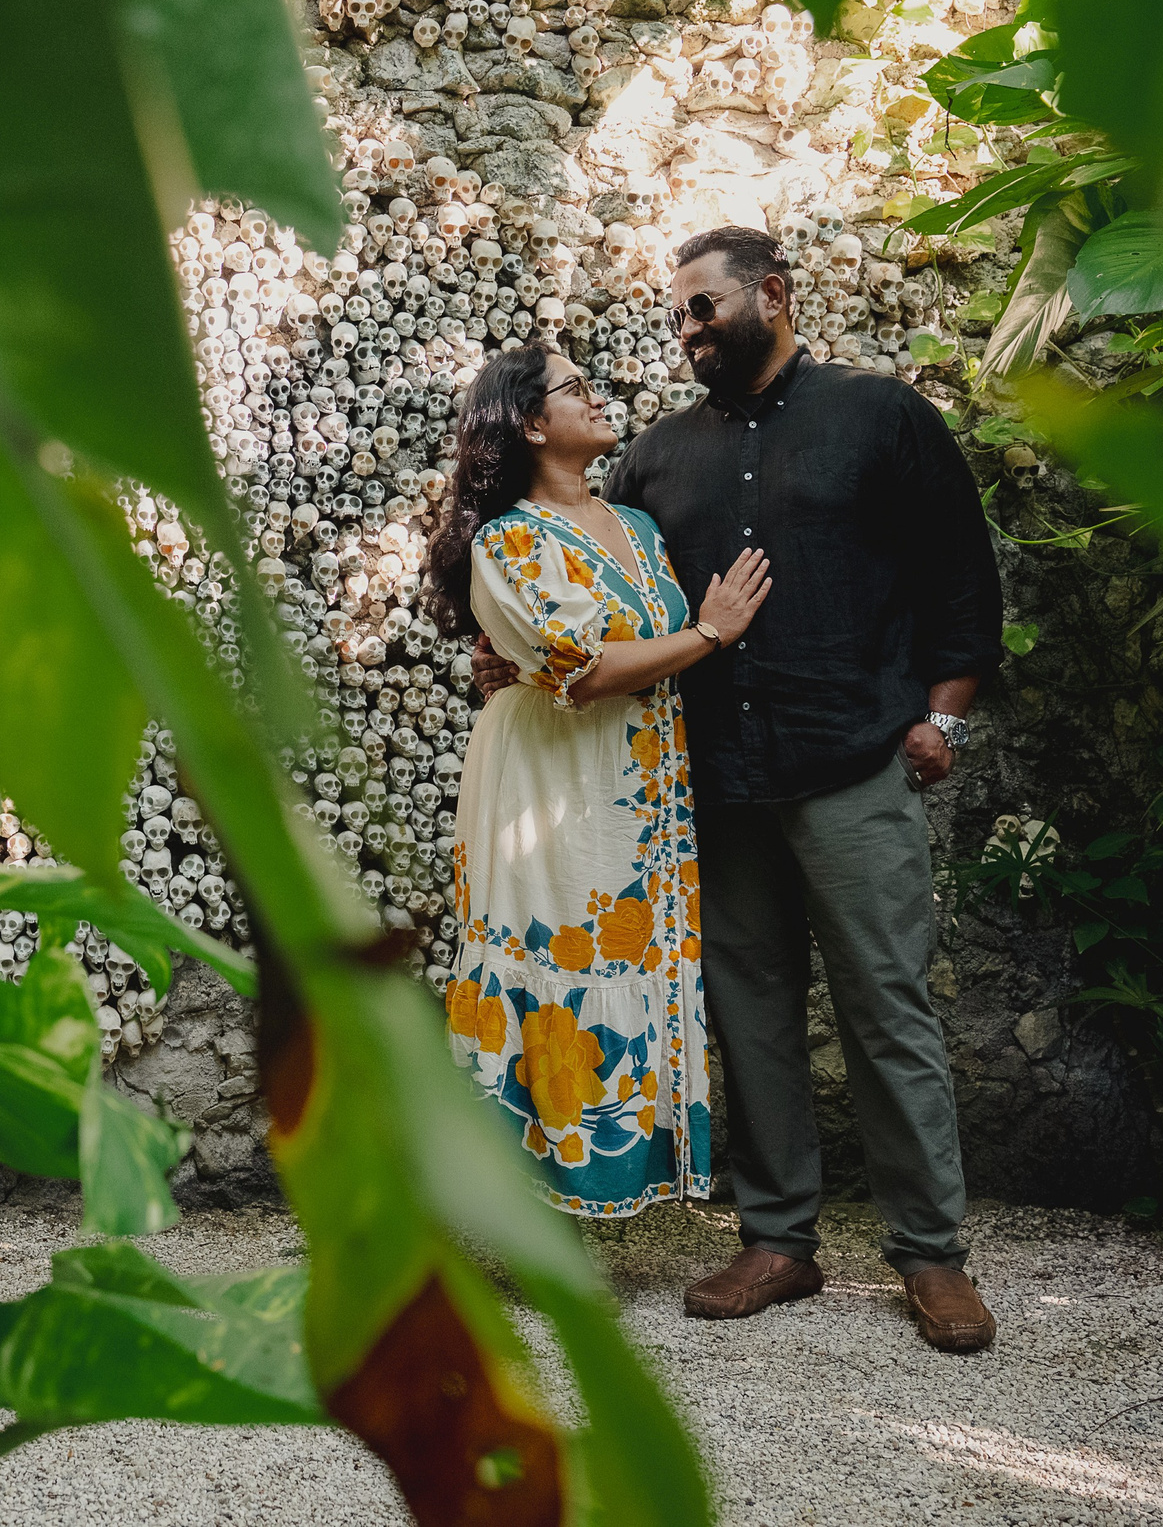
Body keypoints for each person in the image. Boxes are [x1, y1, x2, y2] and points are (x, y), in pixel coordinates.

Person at [473, 227, 1005, 1353]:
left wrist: (944, 714)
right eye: (679, 313)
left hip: (851, 763)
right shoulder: (656, 459)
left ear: (773, 294)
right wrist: (512, 660)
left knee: (887, 1005)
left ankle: (931, 1254)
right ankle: (777, 1240)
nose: (688, 329)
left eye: (703, 307)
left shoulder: (881, 416)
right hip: (713, 786)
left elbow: (961, 576)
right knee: (750, 1013)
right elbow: (600, 597)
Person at [424, 346, 772, 1217]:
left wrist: (695, 639)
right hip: (549, 778)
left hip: (638, 783)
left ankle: (606, 1178)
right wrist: (710, 633)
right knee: (554, 954)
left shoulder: (639, 526)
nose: (596, 395)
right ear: (532, 424)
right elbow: (580, 671)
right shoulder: (507, 539)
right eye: (574, 388)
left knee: (630, 955)